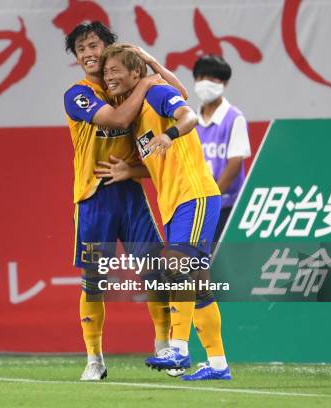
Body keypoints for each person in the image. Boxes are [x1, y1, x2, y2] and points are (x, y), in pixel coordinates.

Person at [95, 44, 231, 380]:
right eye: (106, 71)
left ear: (136, 74)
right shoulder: (139, 114)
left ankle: (179, 350)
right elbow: (157, 158)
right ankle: (217, 365)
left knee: (174, 267)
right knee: (199, 287)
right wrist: (131, 171)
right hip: (173, 204)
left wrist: (171, 133)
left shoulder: (155, 94)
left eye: (115, 70)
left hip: (194, 196)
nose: (109, 76)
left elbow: (189, 116)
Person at [63, 22, 188, 381]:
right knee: (94, 280)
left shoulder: (126, 85)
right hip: (93, 197)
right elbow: (116, 119)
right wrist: (146, 83)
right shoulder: (78, 94)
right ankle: (94, 358)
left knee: (154, 272)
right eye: (81, 49)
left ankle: (164, 346)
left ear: (108, 49)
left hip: (130, 194)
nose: (88, 54)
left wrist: (148, 64)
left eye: (93, 46)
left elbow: (179, 95)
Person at [193, 55, 251, 240]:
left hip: (226, 205)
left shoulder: (234, 118)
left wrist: (213, 199)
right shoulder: (191, 120)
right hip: (197, 205)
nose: (205, 83)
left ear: (224, 82)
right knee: (196, 261)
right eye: (201, 78)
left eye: (212, 78)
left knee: (219, 258)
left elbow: (234, 164)